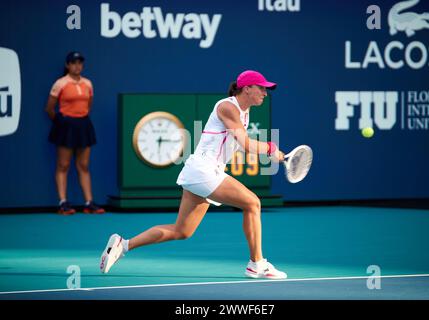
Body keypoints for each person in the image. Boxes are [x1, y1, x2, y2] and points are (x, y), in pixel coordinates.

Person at [99, 70, 287, 279]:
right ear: (247, 88)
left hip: (203, 171)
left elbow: (240, 145)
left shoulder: (244, 111)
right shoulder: (227, 106)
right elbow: (246, 144)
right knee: (253, 203)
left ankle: (123, 245)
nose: (265, 93)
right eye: (261, 88)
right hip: (204, 170)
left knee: (182, 231)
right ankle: (257, 263)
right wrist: (271, 148)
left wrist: (268, 151)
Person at [45, 51, 105, 215]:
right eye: (73, 62)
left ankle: (88, 202)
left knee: (83, 165)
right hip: (66, 126)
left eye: (79, 63)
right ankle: (63, 202)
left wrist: (80, 118)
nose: (77, 66)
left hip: (83, 125)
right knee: (63, 165)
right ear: (67, 65)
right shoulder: (60, 83)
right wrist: (62, 122)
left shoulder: (88, 84)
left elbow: (88, 106)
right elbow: (50, 108)